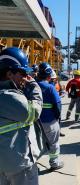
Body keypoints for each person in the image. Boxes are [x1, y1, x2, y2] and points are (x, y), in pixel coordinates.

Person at [0, 47, 43, 185]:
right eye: (22, 73)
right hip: (19, 166)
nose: (25, 78)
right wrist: (35, 86)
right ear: (9, 74)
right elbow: (34, 111)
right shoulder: (10, 97)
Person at [37, 62, 64, 170]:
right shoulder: (50, 88)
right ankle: (54, 163)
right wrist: (57, 118)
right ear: (49, 75)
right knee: (53, 143)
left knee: (38, 142)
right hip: (50, 121)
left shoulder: (34, 85)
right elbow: (57, 105)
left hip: (36, 121)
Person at [50, 70, 65, 137]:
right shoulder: (48, 85)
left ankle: (59, 131)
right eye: (53, 79)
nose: (54, 80)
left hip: (57, 103)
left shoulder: (57, 83)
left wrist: (62, 93)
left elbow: (61, 90)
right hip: (51, 105)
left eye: (54, 79)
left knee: (58, 118)